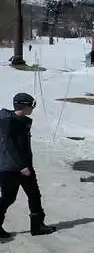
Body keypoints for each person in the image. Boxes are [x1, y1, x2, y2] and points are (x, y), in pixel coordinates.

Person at [0, 93, 56, 238]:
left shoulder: (22, 121)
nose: (32, 108)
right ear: (23, 106)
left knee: (34, 195)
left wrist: (26, 165)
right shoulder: (8, 121)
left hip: (24, 166)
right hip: (10, 167)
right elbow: (9, 145)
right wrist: (21, 166)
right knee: (8, 198)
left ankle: (37, 226)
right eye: (31, 105)